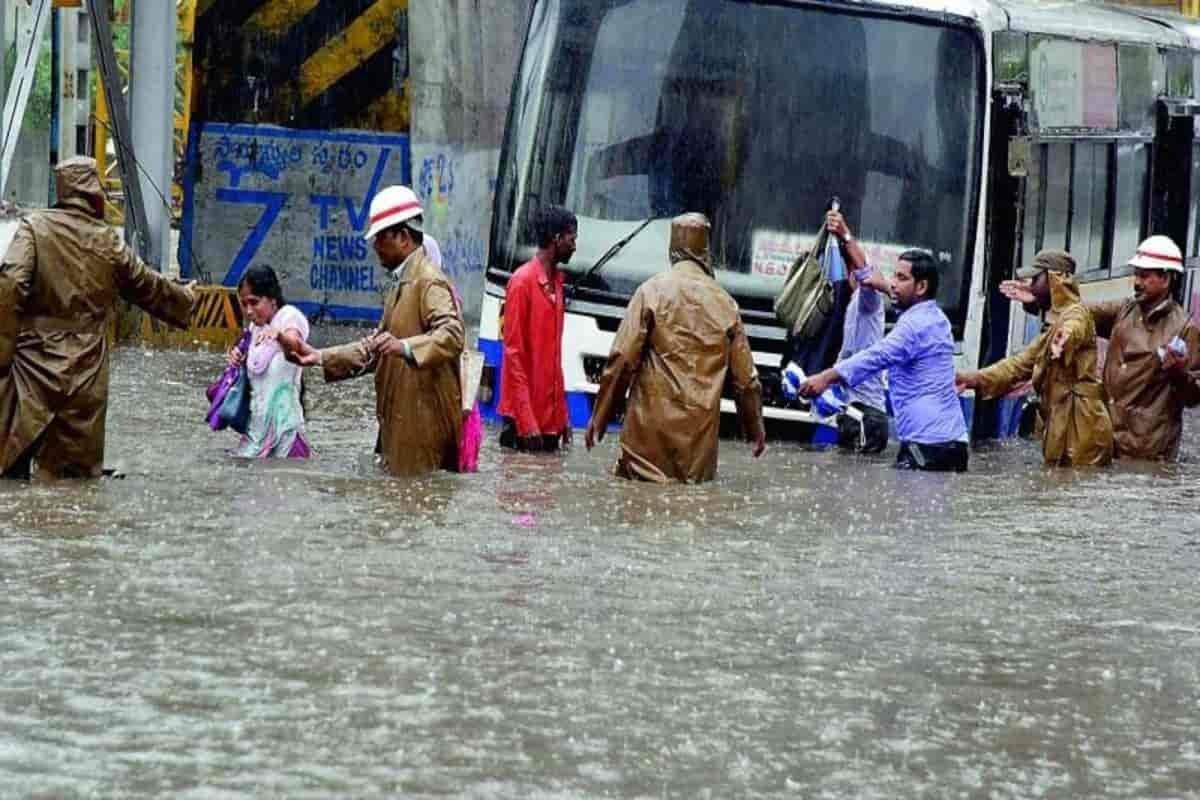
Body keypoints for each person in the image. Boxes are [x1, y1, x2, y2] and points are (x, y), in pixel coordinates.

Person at [0, 156, 195, 479]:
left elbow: (9, 286)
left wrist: (4, 355)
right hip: (86, 370)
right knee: (73, 479)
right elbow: (147, 285)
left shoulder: (34, 230)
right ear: (94, 191)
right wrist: (186, 298)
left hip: (32, 363)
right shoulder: (108, 241)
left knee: (13, 462)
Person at [289, 185, 464, 477]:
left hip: (421, 430)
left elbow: (452, 334)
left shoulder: (428, 281)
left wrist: (405, 348)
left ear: (404, 238)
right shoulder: (401, 283)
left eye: (381, 238)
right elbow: (373, 349)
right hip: (398, 424)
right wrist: (319, 356)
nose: (375, 246)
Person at [584, 212, 766, 483]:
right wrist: (755, 428)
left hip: (646, 436)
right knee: (690, 508)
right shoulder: (726, 304)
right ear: (706, 249)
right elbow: (746, 381)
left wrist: (600, 417)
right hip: (697, 444)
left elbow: (621, 360)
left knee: (635, 507)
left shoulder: (650, 292)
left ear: (672, 249)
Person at [1002, 236, 1200, 461]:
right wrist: (1041, 299)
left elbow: (1194, 398)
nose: (1136, 282)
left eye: (1144, 276)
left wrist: (1179, 373)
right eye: (1136, 274)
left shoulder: (1185, 329)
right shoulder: (1124, 310)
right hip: (1104, 441)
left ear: (1165, 279)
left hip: (1147, 453)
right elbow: (1078, 314)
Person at [799, 249, 969, 472]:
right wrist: (883, 286)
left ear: (921, 287)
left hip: (927, 445)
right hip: (956, 441)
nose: (893, 284)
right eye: (893, 276)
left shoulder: (912, 326)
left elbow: (876, 357)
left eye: (901, 278)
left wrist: (825, 377)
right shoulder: (939, 320)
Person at [957, 250, 1112, 467]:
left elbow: (1073, 328)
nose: (1029, 285)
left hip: (1082, 425)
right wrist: (972, 379)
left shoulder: (1076, 315)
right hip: (1065, 421)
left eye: (1035, 279)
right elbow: (1019, 365)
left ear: (1055, 279)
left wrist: (1063, 339)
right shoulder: (1054, 321)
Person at [498, 205, 577, 452]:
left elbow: (554, 359)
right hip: (524, 424)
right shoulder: (521, 283)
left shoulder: (558, 285)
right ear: (556, 238)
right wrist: (527, 421)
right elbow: (513, 357)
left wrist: (563, 416)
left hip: (549, 420)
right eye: (571, 238)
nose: (575, 246)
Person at [821, 208, 890, 453]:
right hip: (854, 412)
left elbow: (866, 274)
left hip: (867, 416)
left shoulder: (869, 301)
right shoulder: (852, 304)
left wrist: (845, 233)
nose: (851, 271)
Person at [224, 265, 311, 458]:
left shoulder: (289, 317)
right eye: (244, 304)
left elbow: (296, 345)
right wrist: (236, 357)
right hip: (256, 436)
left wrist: (279, 336)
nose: (248, 311)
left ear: (272, 299)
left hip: (286, 436)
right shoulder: (255, 329)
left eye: (254, 302)